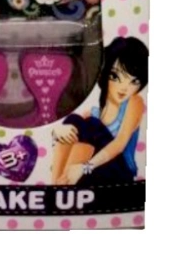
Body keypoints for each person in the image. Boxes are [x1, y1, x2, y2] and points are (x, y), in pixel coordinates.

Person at [50, 36, 148, 186]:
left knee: (91, 124)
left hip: (119, 175)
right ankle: (57, 185)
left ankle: (63, 186)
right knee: (73, 121)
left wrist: (84, 168)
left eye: (134, 81)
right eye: (115, 76)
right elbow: (69, 132)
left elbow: (119, 144)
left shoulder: (134, 102)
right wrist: (56, 132)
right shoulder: (96, 112)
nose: (124, 87)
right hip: (95, 170)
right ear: (104, 73)